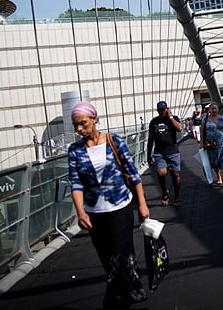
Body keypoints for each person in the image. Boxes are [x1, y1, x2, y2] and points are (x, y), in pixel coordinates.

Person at [68, 101, 150, 309]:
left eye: (83, 123)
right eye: (75, 125)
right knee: (107, 257)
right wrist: (80, 212)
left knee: (119, 253)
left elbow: (133, 174)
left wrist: (142, 204)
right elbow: (76, 184)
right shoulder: (75, 150)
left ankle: (113, 298)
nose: (79, 129)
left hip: (120, 207)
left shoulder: (114, 141)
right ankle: (130, 286)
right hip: (95, 212)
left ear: (94, 119)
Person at [147, 101, 183, 206]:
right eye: (159, 110)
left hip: (173, 151)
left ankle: (176, 197)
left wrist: (170, 117)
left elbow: (179, 128)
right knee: (161, 173)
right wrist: (148, 155)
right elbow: (150, 139)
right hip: (159, 152)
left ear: (167, 109)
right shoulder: (154, 121)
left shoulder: (174, 118)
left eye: (163, 109)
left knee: (175, 174)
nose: (161, 111)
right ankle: (164, 192)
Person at [201, 102, 223, 186]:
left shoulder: (221, 118)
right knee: (215, 162)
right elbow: (202, 131)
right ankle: (219, 177)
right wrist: (202, 143)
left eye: (216, 108)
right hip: (211, 144)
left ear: (218, 109)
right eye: (212, 108)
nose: (214, 110)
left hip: (221, 142)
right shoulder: (205, 119)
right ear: (210, 110)